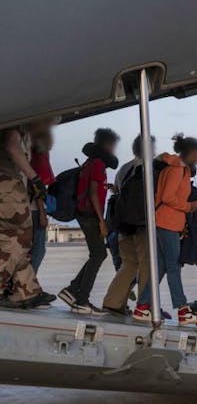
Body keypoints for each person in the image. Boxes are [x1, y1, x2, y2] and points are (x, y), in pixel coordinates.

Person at [133, 133, 197, 324]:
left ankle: (141, 308)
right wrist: (189, 206)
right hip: (167, 223)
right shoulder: (177, 170)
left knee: (162, 268)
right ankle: (182, 310)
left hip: (164, 223)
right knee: (174, 267)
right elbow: (167, 197)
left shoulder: (176, 169)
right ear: (191, 153)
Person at [59, 128, 119, 314]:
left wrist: (104, 186)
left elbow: (92, 187)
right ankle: (81, 298)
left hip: (83, 213)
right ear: (108, 145)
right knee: (99, 254)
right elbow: (93, 192)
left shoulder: (90, 162)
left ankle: (73, 291)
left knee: (98, 254)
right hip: (90, 215)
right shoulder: (99, 164)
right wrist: (102, 221)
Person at [101, 135, 153, 316]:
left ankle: (112, 302)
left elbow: (117, 193)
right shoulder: (150, 168)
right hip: (143, 225)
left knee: (129, 264)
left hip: (124, 225)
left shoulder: (123, 169)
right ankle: (144, 306)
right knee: (147, 266)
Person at [0, 122, 48, 309]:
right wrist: (35, 178)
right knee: (22, 236)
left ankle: (27, 291)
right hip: (7, 183)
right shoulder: (14, 115)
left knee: (8, 238)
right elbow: (12, 147)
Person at [27, 119, 56, 273]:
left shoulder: (29, 147)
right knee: (37, 251)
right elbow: (36, 185)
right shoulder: (38, 153)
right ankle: (29, 286)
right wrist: (43, 214)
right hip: (34, 209)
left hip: (29, 206)